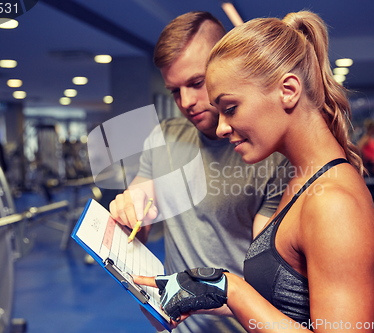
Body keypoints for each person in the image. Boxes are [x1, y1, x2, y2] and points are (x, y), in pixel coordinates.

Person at [135, 10, 374, 332]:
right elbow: (283, 306)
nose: (222, 127)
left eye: (231, 108)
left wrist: (231, 288)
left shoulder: (334, 203)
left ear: (288, 91)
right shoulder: (303, 182)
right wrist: (209, 293)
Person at [109, 12, 291, 333]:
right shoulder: (164, 137)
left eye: (196, 83)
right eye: (174, 91)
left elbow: (269, 282)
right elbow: (141, 208)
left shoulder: (269, 157)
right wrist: (128, 211)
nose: (187, 102)